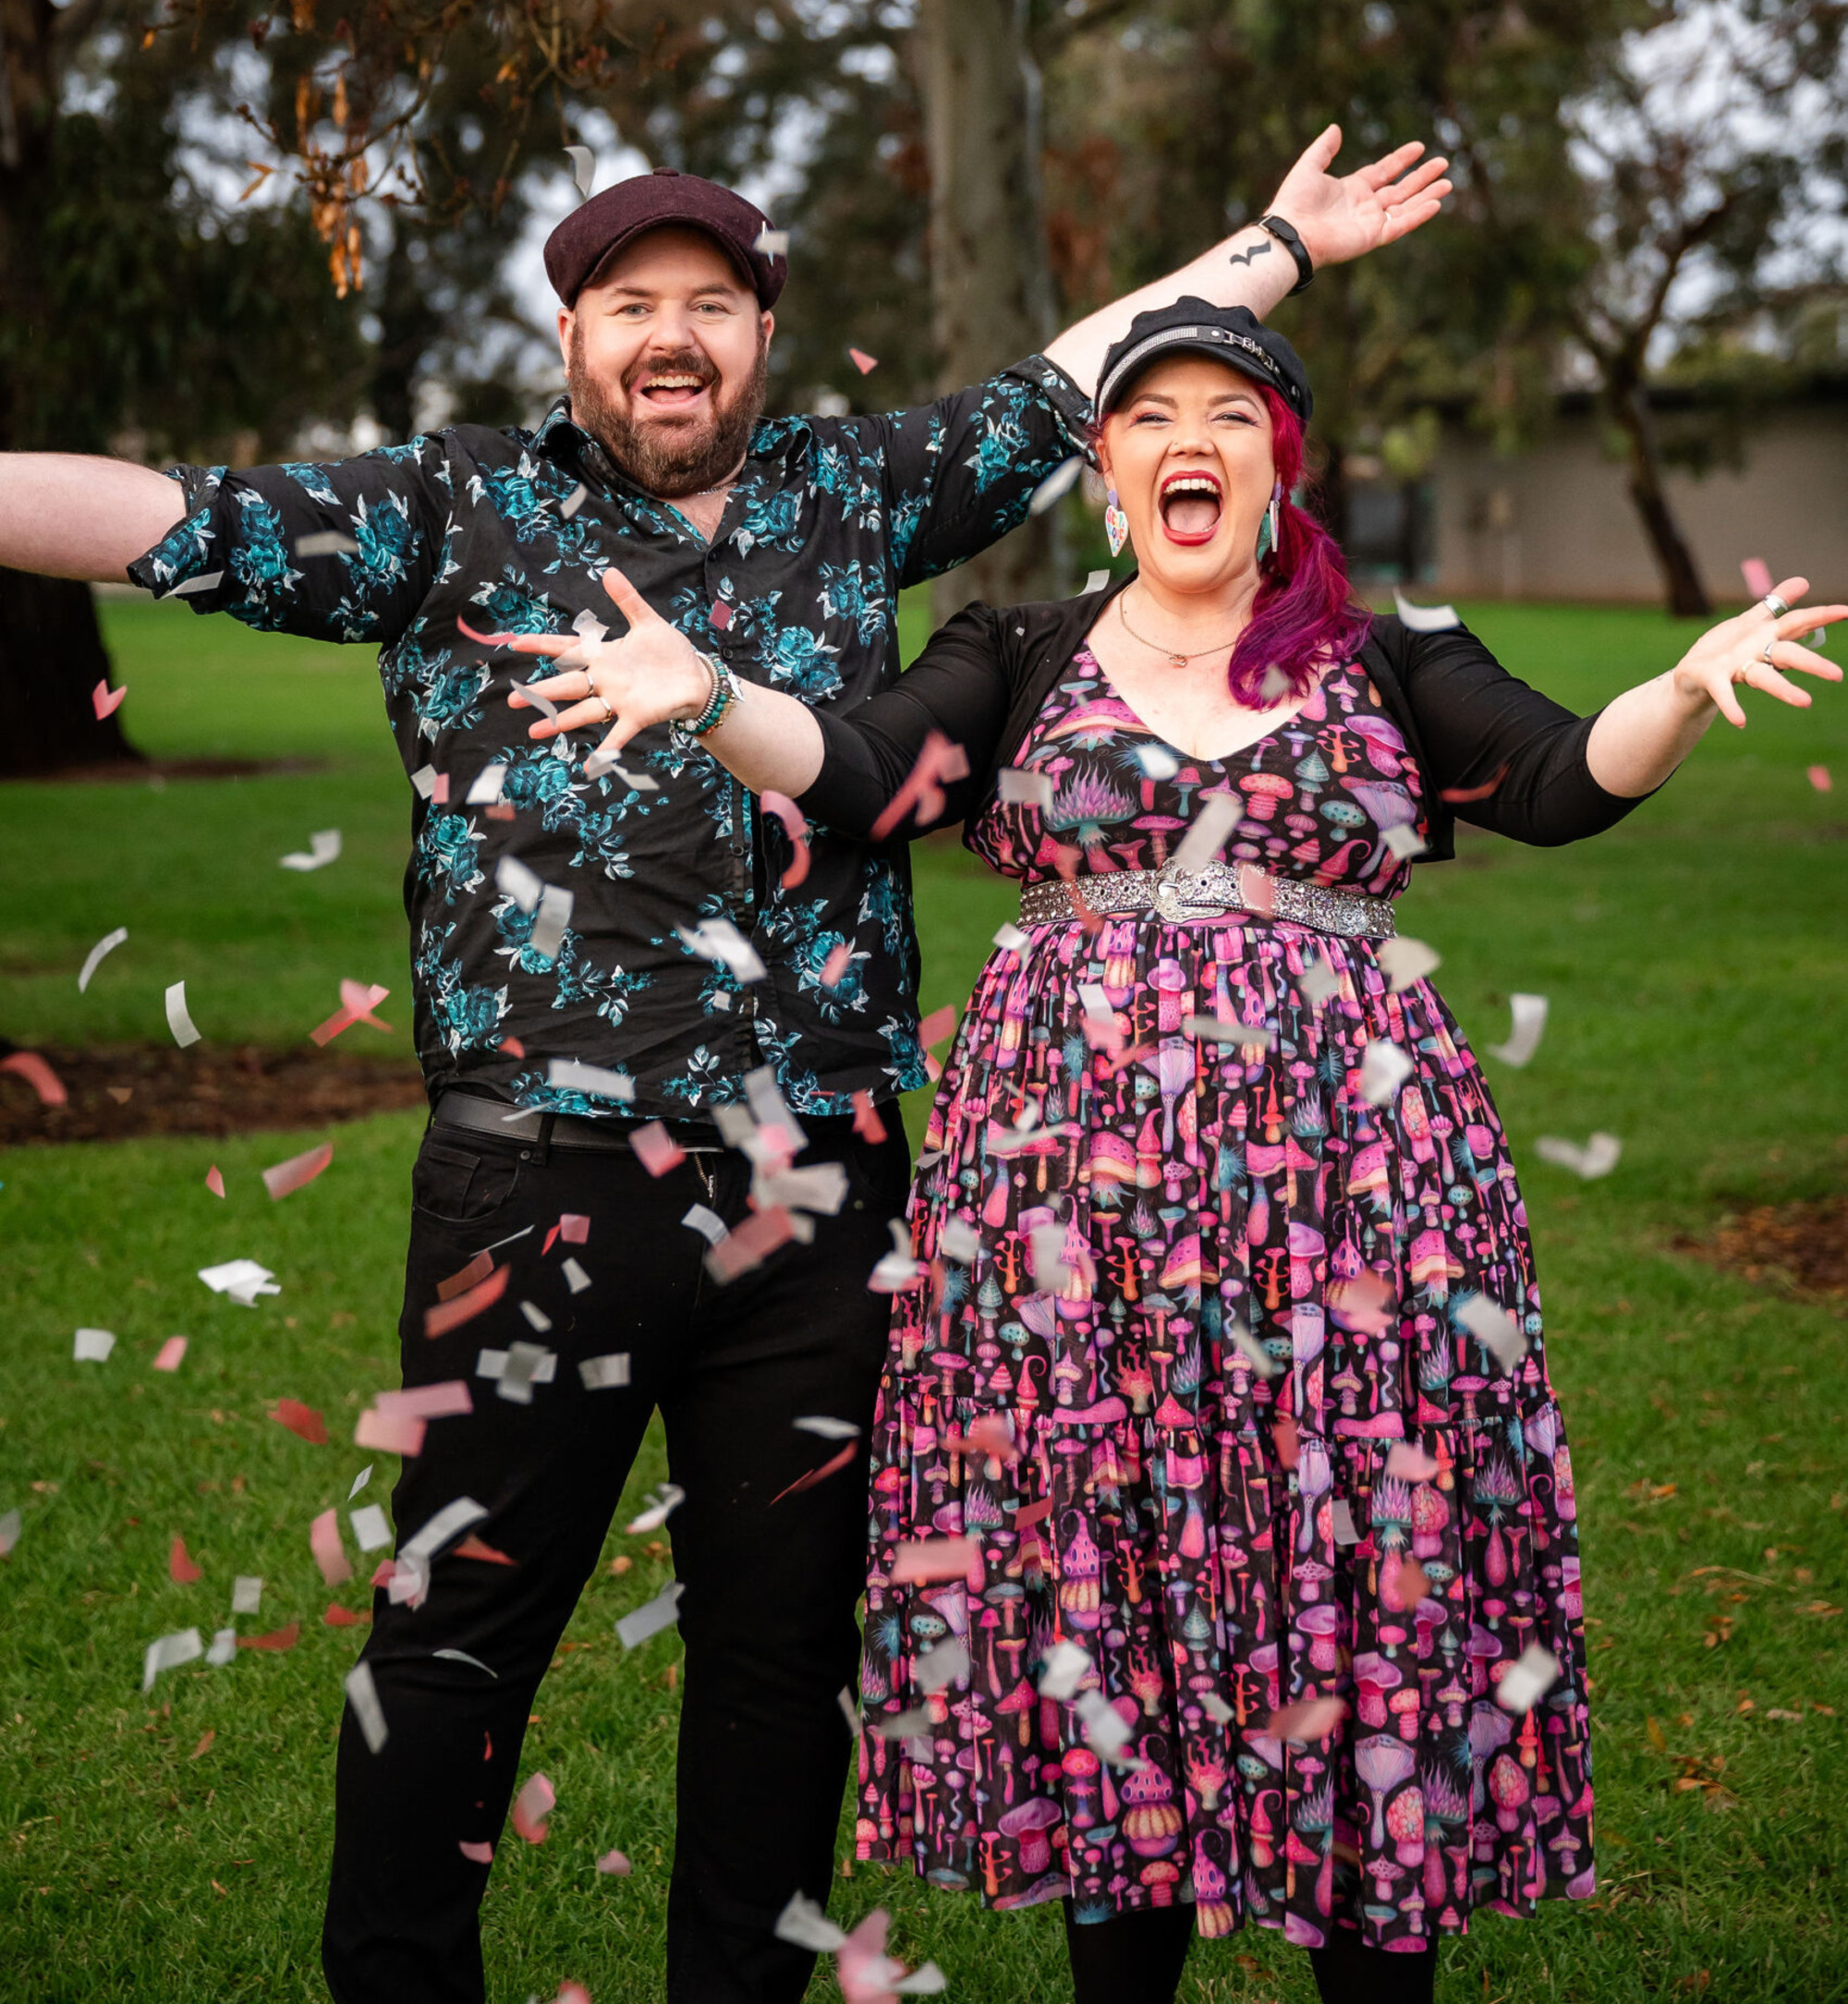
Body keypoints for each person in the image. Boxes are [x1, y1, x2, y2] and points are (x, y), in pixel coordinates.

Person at [0, 137, 1452, 2004]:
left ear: (763, 331)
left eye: (709, 304)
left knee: (782, 1659)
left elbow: (1069, 389)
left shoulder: (852, 491)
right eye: (632, 306)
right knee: (454, 1642)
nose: (669, 338)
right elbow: (161, 514)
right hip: (540, 1186)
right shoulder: (448, 508)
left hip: (818, 1198)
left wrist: (1276, 249)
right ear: (573, 332)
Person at [538, 300, 1845, 2004]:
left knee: (1369, 1581)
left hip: (1358, 1216)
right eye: (1152, 414)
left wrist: (1671, 691)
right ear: (1109, 469)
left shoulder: (1385, 650)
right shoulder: (1016, 651)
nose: (1190, 440)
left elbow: (1554, 776)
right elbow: (859, 770)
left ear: (1276, 465)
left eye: (1232, 413)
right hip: (1069, 1221)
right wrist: (715, 695)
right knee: (1108, 1595)